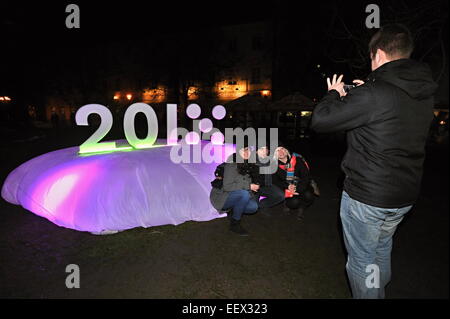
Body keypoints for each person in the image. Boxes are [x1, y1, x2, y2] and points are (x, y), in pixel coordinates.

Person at [310, 24, 438, 299]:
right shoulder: (423, 94)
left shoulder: (373, 94)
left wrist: (335, 93)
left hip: (368, 196)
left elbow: (320, 120)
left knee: (362, 260)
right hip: (403, 196)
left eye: (371, 58)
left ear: (378, 54)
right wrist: (365, 91)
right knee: (381, 249)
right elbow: (387, 117)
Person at [210, 147, 259, 236]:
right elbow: (227, 187)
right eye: (244, 149)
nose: (247, 152)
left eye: (248, 150)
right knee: (244, 194)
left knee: (253, 207)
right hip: (223, 196)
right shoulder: (232, 164)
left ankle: (233, 210)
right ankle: (235, 224)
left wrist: (252, 190)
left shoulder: (248, 165)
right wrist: (248, 186)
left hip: (237, 195)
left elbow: (246, 184)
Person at [272, 146, 315, 220]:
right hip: (286, 188)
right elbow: (275, 181)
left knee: (308, 196)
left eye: (282, 149)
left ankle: (302, 208)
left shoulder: (297, 160)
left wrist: (297, 188)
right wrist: (287, 187)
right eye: (277, 151)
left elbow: (306, 176)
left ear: (287, 151)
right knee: (294, 202)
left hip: (301, 185)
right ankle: (287, 204)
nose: (281, 152)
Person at [253, 146, 285, 216]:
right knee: (253, 206)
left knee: (281, 196)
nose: (264, 151)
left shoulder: (271, 161)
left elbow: (281, 174)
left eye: (266, 149)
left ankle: (263, 205)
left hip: (267, 186)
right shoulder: (251, 162)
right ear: (256, 151)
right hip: (253, 188)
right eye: (261, 149)